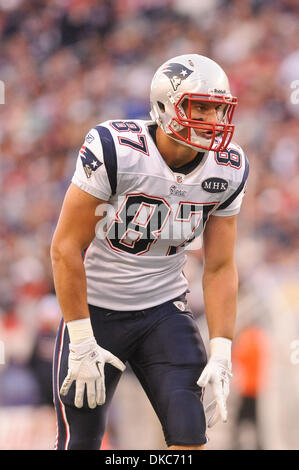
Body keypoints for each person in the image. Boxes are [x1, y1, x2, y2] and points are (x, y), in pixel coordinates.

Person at [51, 54, 249, 450]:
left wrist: (223, 350)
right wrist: (82, 338)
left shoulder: (228, 167)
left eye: (218, 108)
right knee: (80, 442)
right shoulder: (116, 149)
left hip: (163, 310)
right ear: (165, 107)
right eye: (201, 107)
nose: (212, 119)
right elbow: (66, 248)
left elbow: (221, 266)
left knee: (190, 433)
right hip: (96, 311)